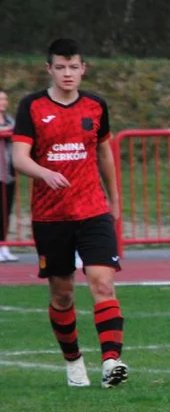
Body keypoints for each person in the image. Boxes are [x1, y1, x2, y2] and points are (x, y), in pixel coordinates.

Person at [11, 38, 128, 388]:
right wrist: (43, 172)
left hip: (92, 209)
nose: (67, 74)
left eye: (73, 67)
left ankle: (111, 362)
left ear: (83, 69)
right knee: (62, 293)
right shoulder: (31, 106)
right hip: (50, 216)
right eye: (60, 67)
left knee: (102, 282)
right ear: (49, 69)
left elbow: (104, 152)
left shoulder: (95, 105)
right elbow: (19, 156)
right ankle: (73, 360)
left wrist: (115, 199)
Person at [0, 89, 16, 262]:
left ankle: (4, 245)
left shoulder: (12, 122)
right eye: (0, 99)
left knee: (6, 211)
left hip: (8, 173)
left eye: (5, 99)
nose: (3, 102)